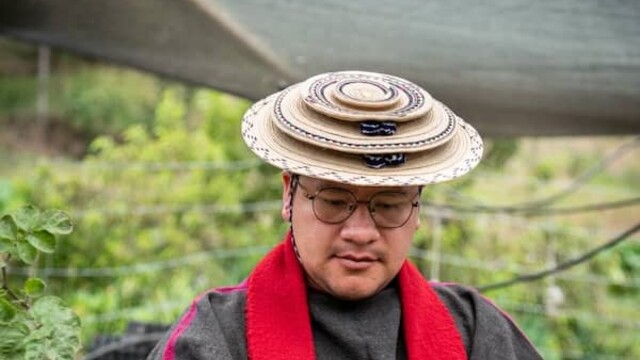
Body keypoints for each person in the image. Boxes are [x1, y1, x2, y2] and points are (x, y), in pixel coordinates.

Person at [147, 71, 542, 359]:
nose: (360, 232)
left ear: (417, 208)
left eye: (389, 205)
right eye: (334, 201)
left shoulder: (474, 332)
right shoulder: (217, 337)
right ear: (289, 194)